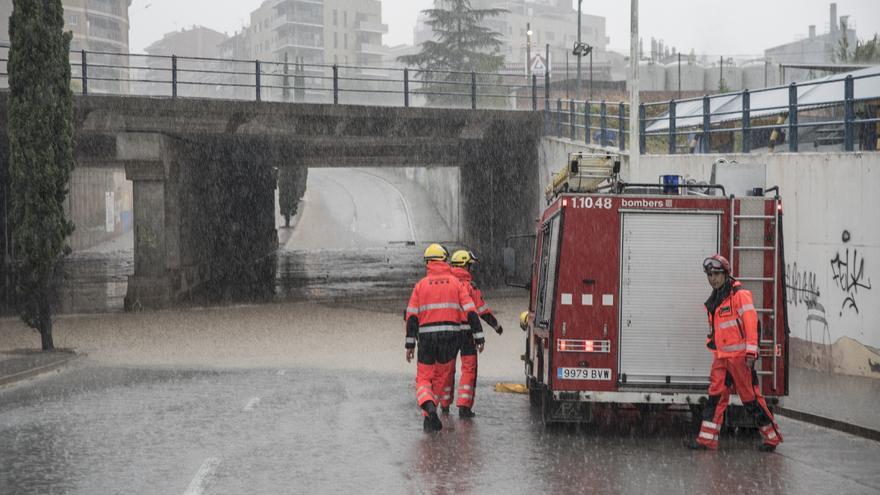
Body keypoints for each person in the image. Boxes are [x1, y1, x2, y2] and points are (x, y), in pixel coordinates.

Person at [687, 254, 783, 451]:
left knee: (751, 400)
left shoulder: (739, 295)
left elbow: (751, 325)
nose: (712, 278)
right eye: (709, 275)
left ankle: (772, 438)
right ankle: (706, 440)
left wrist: (750, 353)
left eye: (716, 274)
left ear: (725, 274)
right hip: (722, 359)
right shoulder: (715, 299)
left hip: (740, 360)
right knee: (715, 399)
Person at [405, 243, 483, 433]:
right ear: (444, 261)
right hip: (451, 338)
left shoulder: (421, 286)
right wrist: (479, 336)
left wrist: (410, 343)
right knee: (442, 377)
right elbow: (471, 310)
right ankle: (433, 414)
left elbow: (412, 315)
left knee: (424, 379)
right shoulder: (455, 283)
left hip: (427, 339)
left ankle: (429, 410)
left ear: (429, 263)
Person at [445, 249, 502, 418]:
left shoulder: (446, 284)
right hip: (468, 334)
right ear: (465, 266)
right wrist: (496, 326)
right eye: (470, 265)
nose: (471, 269)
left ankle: (444, 404)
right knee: (469, 369)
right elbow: (482, 310)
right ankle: (464, 407)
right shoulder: (470, 287)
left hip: (449, 333)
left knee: (446, 368)